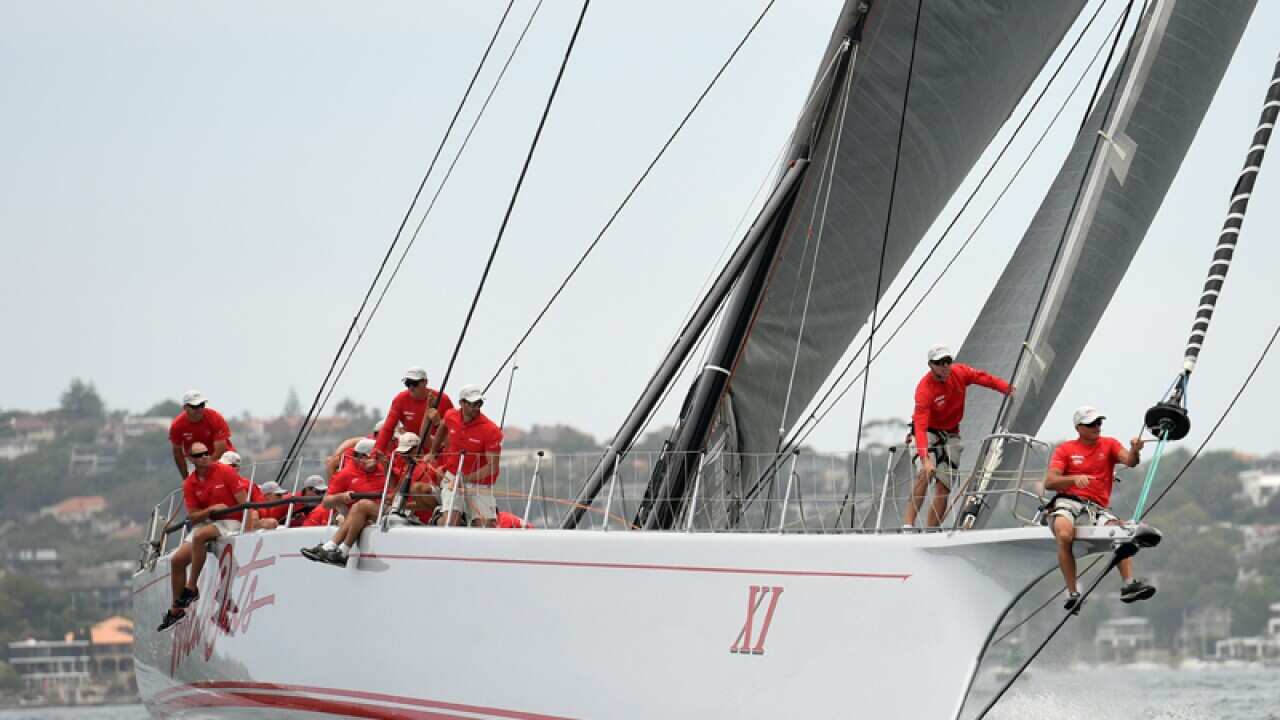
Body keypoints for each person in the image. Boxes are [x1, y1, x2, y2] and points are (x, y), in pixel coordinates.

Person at [1046, 406, 1157, 612]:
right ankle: (1073, 593)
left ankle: (1129, 585)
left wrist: (1135, 450)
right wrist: (1073, 479)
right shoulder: (1065, 449)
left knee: (1121, 531)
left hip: (1096, 509)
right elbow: (1050, 482)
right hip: (1068, 503)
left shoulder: (1110, 444)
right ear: (1079, 428)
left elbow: (1130, 462)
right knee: (1064, 533)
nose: (1098, 427)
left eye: (1099, 422)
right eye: (1092, 424)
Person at [902, 344, 1013, 529]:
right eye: (940, 363)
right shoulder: (924, 389)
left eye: (948, 361)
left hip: (951, 432)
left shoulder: (959, 373)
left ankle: (931, 531)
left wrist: (1007, 388)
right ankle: (908, 525)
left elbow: (983, 378)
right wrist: (926, 458)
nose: (945, 366)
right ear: (931, 365)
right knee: (925, 473)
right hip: (927, 431)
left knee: (944, 486)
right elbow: (920, 428)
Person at [157, 442, 249, 631]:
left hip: (231, 521)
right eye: (199, 455)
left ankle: (191, 588)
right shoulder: (189, 483)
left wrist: (247, 531)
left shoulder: (226, 472)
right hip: (207, 522)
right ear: (191, 459)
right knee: (177, 560)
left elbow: (244, 504)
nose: (205, 457)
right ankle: (177, 609)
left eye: (207, 453)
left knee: (200, 536)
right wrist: (211, 510)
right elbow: (193, 516)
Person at [300, 438, 390, 566]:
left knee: (360, 505)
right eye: (357, 456)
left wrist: (384, 464)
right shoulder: (346, 473)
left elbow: (395, 486)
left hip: (384, 510)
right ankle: (341, 551)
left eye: (365, 456)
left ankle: (330, 547)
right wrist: (341, 497)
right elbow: (326, 502)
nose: (361, 459)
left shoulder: (385, 466)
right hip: (361, 516)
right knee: (358, 508)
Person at [426, 385, 503, 527]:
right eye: (472, 404)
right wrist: (432, 452)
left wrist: (465, 479)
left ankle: (469, 524)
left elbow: (492, 468)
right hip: (452, 476)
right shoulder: (451, 415)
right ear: (461, 403)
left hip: (480, 483)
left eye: (479, 403)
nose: (476, 407)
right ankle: (438, 518)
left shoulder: (491, 430)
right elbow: (443, 426)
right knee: (450, 522)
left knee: (485, 527)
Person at [375, 367, 454, 459]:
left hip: (436, 450)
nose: (411, 387)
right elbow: (388, 429)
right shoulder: (400, 399)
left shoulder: (443, 399)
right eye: (408, 383)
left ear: (425, 382)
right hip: (410, 450)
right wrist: (376, 453)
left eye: (415, 383)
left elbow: (453, 429)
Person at [169, 390, 235, 481]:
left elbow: (221, 449)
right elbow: (178, 453)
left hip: (223, 455)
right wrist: (185, 478)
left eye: (201, 405)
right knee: (193, 484)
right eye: (195, 406)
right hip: (196, 460)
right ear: (185, 408)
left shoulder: (215, 417)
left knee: (225, 479)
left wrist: (207, 467)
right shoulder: (177, 425)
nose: (199, 409)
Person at [219, 452, 275, 531]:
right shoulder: (212, 483)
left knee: (272, 523)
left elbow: (264, 507)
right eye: (220, 465)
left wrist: (256, 512)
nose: (222, 469)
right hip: (219, 522)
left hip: (241, 523)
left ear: (237, 468)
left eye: (226, 466)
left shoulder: (248, 485)